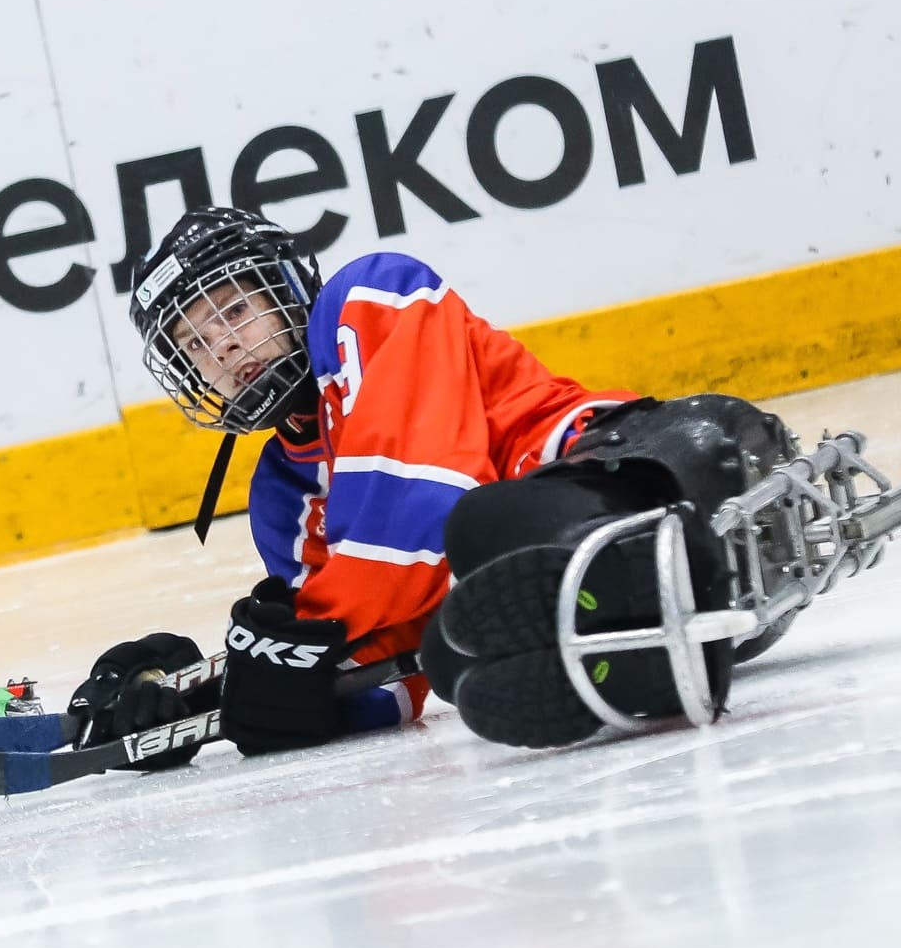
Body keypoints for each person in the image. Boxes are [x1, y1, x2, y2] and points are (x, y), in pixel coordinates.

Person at [69, 206, 795, 759]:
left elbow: (414, 525)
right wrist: (214, 700)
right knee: (454, 655)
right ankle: (630, 617)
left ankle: (648, 582)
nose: (225, 346)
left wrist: (284, 647)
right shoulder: (280, 500)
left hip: (657, 462)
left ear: (285, 289)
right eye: (196, 344)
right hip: (570, 578)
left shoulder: (370, 296)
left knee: (486, 534)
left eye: (234, 310)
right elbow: (389, 672)